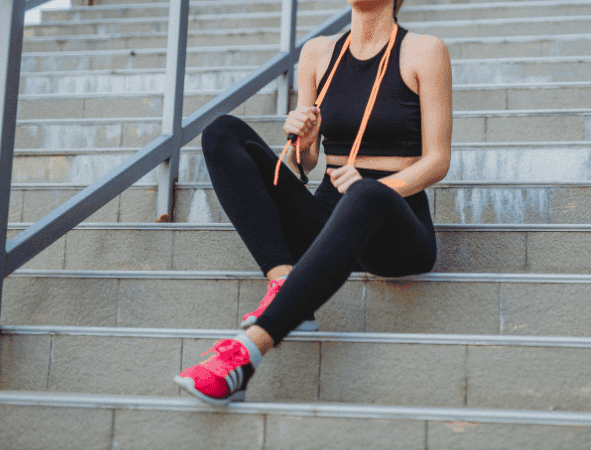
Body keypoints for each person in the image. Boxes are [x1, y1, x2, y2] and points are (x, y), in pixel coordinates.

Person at [173, 0, 453, 406]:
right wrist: (302, 138)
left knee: (366, 194)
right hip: (328, 214)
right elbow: (306, 162)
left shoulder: (425, 50)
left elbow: (438, 160)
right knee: (222, 132)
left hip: (395, 221)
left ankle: (247, 354)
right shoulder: (318, 53)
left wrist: (379, 186)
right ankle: (286, 283)